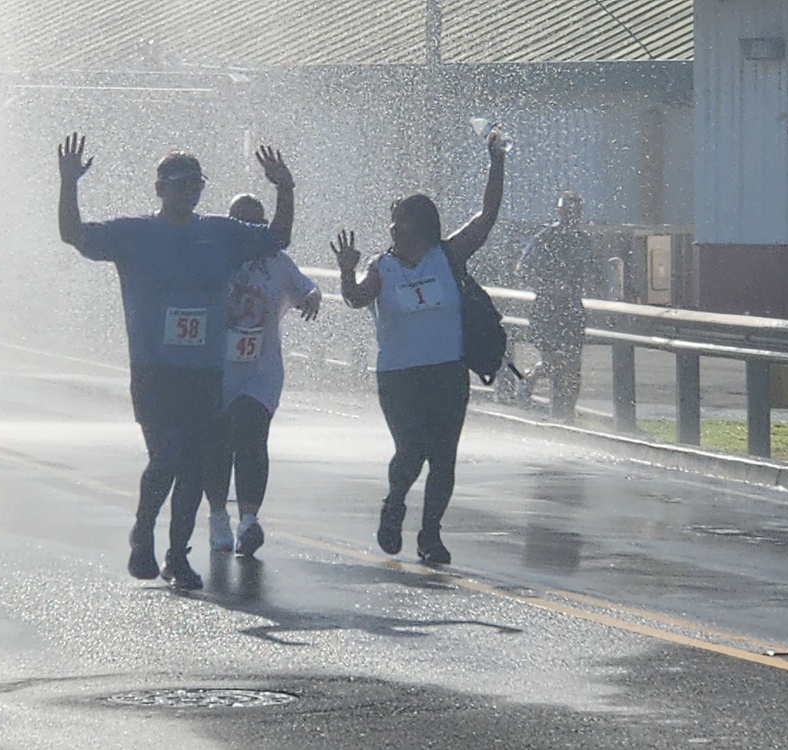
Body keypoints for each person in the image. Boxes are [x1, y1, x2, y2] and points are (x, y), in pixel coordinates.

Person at [56, 132, 295, 589]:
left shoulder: (219, 234)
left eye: (197, 183)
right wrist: (69, 183)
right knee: (165, 457)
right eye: (180, 182)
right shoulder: (136, 234)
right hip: (154, 370)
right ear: (159, 188)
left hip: (204, 373)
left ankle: (177, 555)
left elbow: (277, 238)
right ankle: (143, 532)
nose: (190, 191)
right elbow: (74, 235)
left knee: (194, 467)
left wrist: (284, 188)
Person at [330, 130, 506, 565]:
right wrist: (346, 274)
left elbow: (487, 215)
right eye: (392, 220)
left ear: (422, 227)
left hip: (446, 372)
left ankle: (431, 535)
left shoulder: (447, 255)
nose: (393, 226)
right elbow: (356, 298)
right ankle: (394, 505)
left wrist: (497, 162)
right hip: (399, 376)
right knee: (411, 451)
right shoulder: (382, 267)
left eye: (401, 219)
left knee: (444, 457)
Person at [204, 194, 321, 557]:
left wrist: (313, 297)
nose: (250, 230)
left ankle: (250, 519)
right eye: (241, 221)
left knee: (253, 436)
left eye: (257, 223)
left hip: (260, 369)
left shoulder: (277, 263)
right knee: (219, 442)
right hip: (217, 367)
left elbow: (306, 288)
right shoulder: (213, 257)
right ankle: (218, 515)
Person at [515, 191, 599, 423]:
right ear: (558, 212)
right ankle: (533, 376)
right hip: (546, 309)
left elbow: (593, 273)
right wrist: (547, 286)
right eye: (567, 211)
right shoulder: (546, 238)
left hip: (572, 309)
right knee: (555, 364)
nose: (571, 216)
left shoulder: (582, 241)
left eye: (576, 212)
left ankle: (567, 415)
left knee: (573, 365)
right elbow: (522, 269)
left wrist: (589, 286)